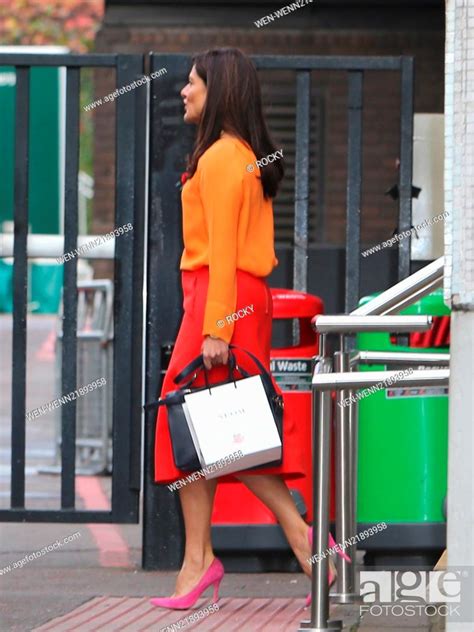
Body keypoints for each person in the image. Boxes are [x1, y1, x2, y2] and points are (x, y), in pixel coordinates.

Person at [150, 47, 348, 611]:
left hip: (223, 299)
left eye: (192, 84)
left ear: (220, 92)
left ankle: (227, 557)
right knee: (222, 431)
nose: (183, 92)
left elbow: (225, 251)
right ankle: (286, 546)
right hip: (236, 298)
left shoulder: (219, 157)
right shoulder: (241, 154)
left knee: (191, 424)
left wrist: (215, 327)